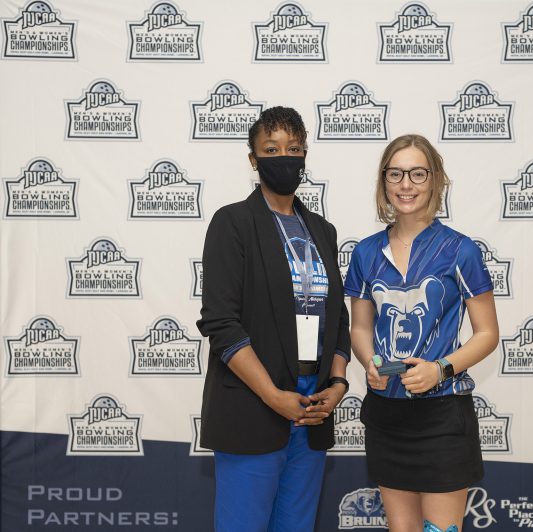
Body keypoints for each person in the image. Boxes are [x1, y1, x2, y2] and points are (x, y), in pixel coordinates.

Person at [197, 106, 351, 532]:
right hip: (253, 404)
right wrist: (271, 394)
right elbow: (221, 324)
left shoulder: (323, 230)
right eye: (271, 148)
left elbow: (337, 319)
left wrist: (337, 383)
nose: (284, 156)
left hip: (313, 408)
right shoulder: (233, 223)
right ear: (253, 159)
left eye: (294, 148)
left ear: (305, 155)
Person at [345, 134, 499, 532]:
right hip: (386, 414)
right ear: (383, 181)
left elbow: (487, 334)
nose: (406, 184)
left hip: (442, 417)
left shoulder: (460, 250)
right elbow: (360, 326)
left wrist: (440, 370)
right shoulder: (365, 253)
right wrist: (368, 362)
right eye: (395, 174)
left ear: (434, 180)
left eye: (417, 173)